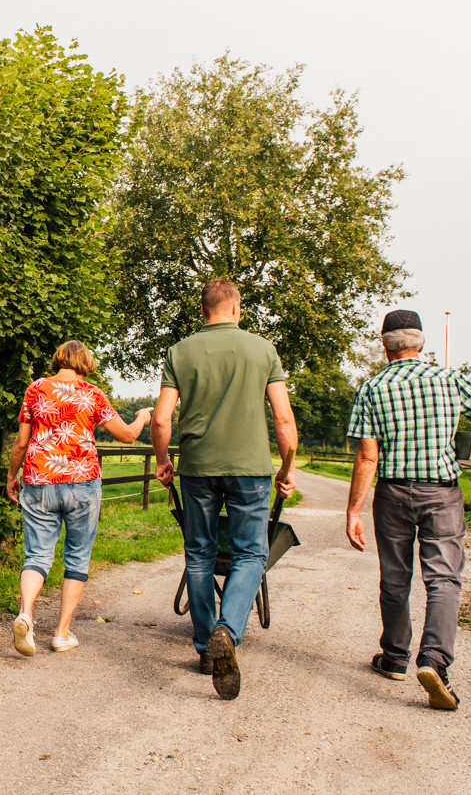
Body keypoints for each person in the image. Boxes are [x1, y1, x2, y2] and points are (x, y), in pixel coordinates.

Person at [344, 309, 471, 710]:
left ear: (384, 345)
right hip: (442, 494)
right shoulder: (449, 380)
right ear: (422, 342)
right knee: (444, 578)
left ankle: (395, 658)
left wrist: (353, 512)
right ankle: (434, 662)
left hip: (393, 494)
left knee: (395, 578)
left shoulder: (372, 388)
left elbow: (367, 456)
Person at [151, 278, 297, 700]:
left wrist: (163, 461)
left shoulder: (179, 352)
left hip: (198, 468)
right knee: (251, 553)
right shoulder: (263, 350)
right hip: (251, 468)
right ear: (236, 308)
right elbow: (283, 420)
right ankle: (227, 631)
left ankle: (205, 649)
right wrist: (287, 468)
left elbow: (161, 420)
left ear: (202, 311)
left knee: (199, 553)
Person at [5, 340, 152, 657]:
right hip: (82, 483)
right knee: (77, 556)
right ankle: (61, 634)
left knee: (37, 555)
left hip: (39, 481)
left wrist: (12, 475)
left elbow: (21, 443)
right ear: (85, 363)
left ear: (59, 360)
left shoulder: (36, 389)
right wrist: (141, 417)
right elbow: (127, 435)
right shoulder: (93, 394)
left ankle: (26, 613)